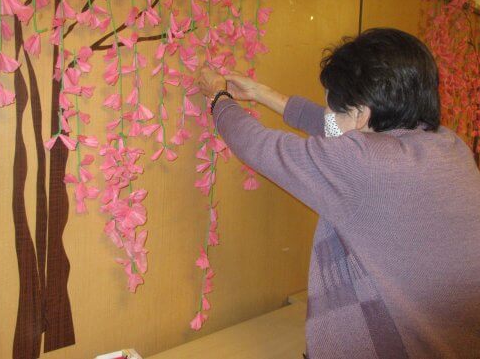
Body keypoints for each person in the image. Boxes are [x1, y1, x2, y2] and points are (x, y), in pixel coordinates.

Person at [197, 28, 480, 359]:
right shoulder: (447, 145)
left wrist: (219, 98)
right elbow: (343, 135)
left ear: (361, 114)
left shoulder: (363, 164)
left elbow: (259, 147)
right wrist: (264, 94)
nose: (328, 115)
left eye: (333, 106)